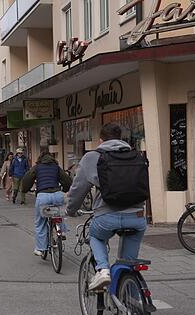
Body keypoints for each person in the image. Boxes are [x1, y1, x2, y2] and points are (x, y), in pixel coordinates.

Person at [66, 123, 147, 291]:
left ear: (101, 140)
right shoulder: (135, 155)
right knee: (129, 265)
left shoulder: (92, 157)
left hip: (107, 216)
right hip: (137, 216)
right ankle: (132, 304)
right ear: (121, 138)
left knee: (96, 236)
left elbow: (78, 188)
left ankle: (102, 270)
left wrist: (71, 210)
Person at [21, 147, 72, 257]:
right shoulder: (56, 167)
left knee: (40, 222)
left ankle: (40, 248)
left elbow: (27, 179)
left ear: (40, 159)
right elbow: (67, 180)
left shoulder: (37, 167)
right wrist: (64, 190)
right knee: (58, 214)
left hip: (43, 196)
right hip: (57, 195)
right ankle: (61, 230)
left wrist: (24, 190)